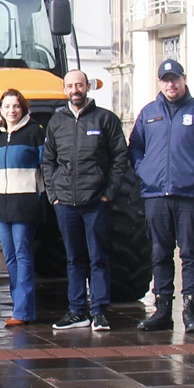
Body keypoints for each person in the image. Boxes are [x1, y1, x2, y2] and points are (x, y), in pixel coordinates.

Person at [130, 58, 194, 334]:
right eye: (165, 80)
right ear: (159, 83)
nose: (170, 84)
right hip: (156, 195)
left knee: (190, 253)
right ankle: (162, 309)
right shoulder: (149, 112)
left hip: (190, 195)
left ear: (183, 79)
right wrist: (144, 170)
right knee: (159, 252)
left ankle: (190, 310)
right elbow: (135, 146)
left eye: (175, 78)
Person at [42, 69, 131, 332]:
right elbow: (48, 160)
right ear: (64, 90)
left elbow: (120, 158)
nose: (74, 90)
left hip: (96, 202)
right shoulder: (57, 122)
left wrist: (108, 193)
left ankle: (100, 311)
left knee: (99, 257)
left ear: (87, 87)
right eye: (70, 86)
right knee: (73, 258)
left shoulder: (106, 119)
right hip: (65, 203)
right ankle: (76, 310)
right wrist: (53, 195)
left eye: (79, 85)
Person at [0, 88, 43, 327]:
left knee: (23, 254)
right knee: (9, 256)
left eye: (16, 106)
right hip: (0, 201)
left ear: (23, 108)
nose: (12, 110)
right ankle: (18, 305)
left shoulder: (34, 132)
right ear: (1, 109)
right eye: (7, 106)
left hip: (25, 200)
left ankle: (23, 310)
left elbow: (45, 163)